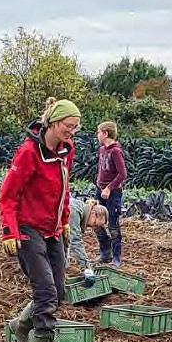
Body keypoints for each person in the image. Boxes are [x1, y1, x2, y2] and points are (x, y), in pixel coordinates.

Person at [0, 97, 80, 342]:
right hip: (27, 228)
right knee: (45, 293)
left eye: (76, 128)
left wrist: (66, 219)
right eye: (69, 126)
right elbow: (8, 196)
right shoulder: (29, 153)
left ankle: (20, 325)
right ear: (54, 124)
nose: (72, 132)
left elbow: (64, 189)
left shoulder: (67, 150)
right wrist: (9, 231)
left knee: (57, 292)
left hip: (52, 229)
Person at [95, 121, 128, 268]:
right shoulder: (102, 150)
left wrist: (109, 188)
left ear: (106, 133)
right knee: (96, 222)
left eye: (99, 132)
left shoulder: (116, 151)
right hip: (99, 190)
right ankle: (105, 252)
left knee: (113, 225)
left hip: (113, 193)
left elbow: (122, 174)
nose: (97, 135)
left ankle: (116, 257)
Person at [67, 198, 109, 282]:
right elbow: (75, 241)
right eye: (94, 224)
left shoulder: (79, 209)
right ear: (93, 213)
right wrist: (87, 268)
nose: (93, 228)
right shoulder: (75, 211)